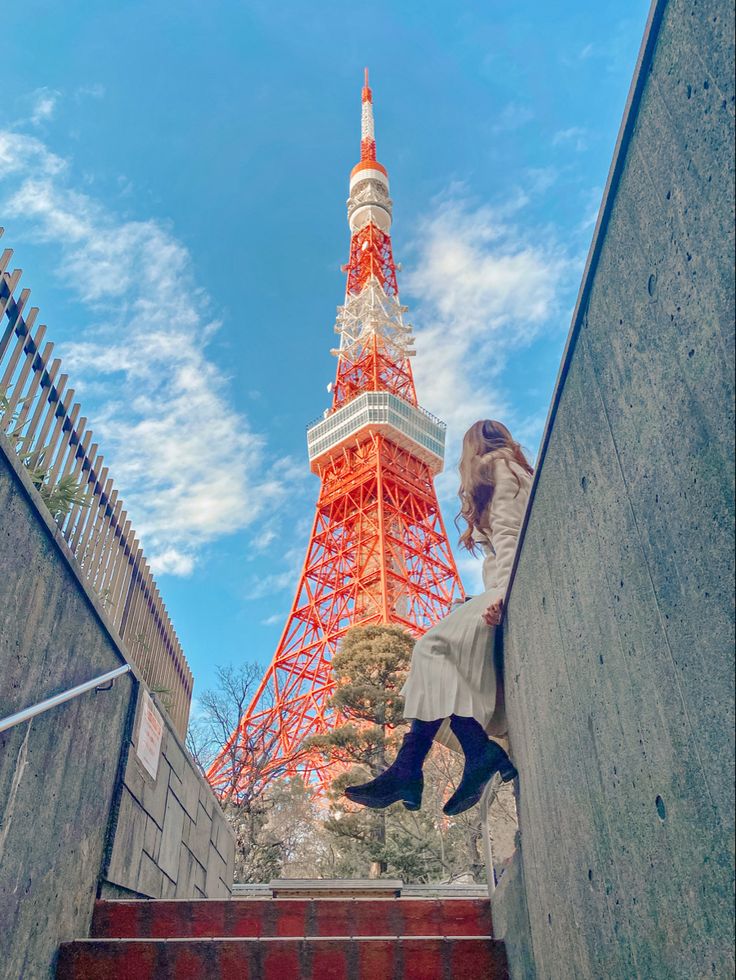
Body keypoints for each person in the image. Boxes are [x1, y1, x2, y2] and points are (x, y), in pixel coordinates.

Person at [345, 419, 534, 816]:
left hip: (507, 587)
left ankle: (415, 766)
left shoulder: (499, 467)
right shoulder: (510, 470)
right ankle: (424, 764)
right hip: (501, 586)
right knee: (433, 662)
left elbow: (510, 537)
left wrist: (507, 592)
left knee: (431, 647)